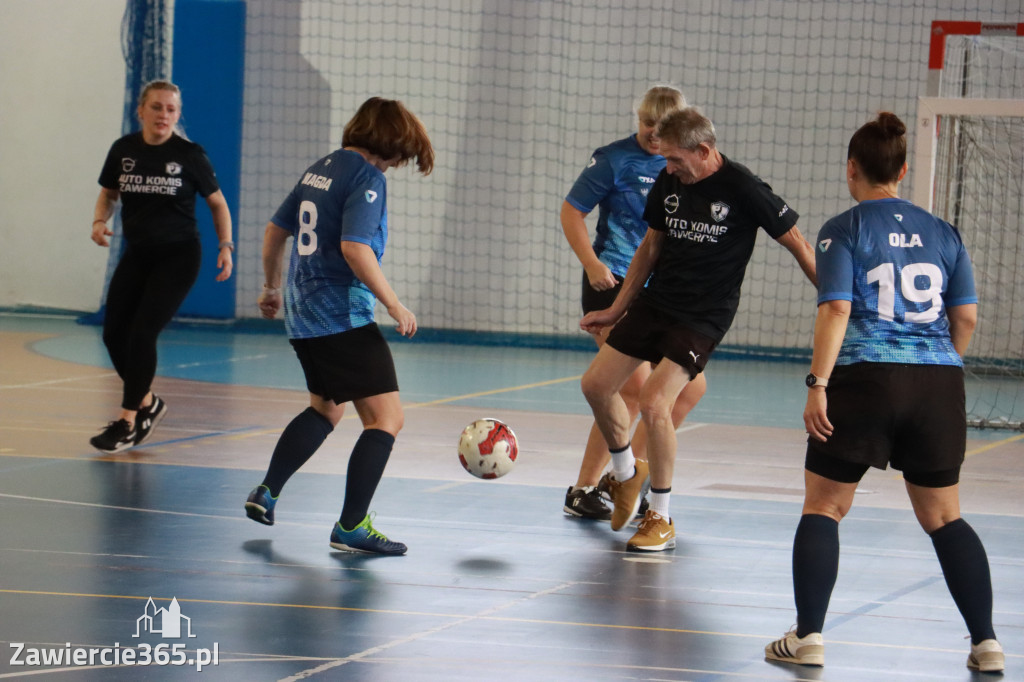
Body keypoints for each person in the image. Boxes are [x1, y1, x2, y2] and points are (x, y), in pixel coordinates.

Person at [765, 113, 1003, 672]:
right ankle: (987, 643)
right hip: (938, 380)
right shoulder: (945, 232)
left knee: (825, 506)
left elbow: (838, 307)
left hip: (865, 378)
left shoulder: (843, 229)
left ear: (853, 169)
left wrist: (818, 383)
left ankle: (811, 637)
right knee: (945, 517)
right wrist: (938, 372)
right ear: (901, 169)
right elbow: (964, 316)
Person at [580, 107, 817, 551]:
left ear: (704, 150)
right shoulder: (671, 181)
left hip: (703, 315)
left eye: (674, 160)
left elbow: (799, 244)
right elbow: (650, 247)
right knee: (595, 385)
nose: (666, 168)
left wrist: (836, 302)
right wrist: (615, 311)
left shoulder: (743, 188)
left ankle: (661, 517)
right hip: (656, 301)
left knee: (655, 402)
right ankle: (627, 475)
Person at [244, 97, 433, 556]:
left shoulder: (319, 168)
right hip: (341, 316)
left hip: (302, 313)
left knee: (326, 409)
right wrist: (394, 304)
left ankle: (267, 491)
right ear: (387, 144)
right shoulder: (366, 177)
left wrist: (271, 286)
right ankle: (352, 525)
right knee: (387, 419)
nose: (395, 167)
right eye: (399, 156)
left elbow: (275, 230)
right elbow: (355, 248)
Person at [561, 86, 707, 521]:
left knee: (688, 390)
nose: (653, 136)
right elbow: (572, 212)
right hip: (613, 282)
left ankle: (628, 476)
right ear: (638, 119)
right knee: (629, 388)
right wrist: (591, 265)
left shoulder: (682, 166)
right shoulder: (613, 160)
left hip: (660, 294)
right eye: (647, 126)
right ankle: (587, 486)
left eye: (662, 130)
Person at [89, 79, 234, 453]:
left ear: (177, 114)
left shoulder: (189, 154)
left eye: (171, 109)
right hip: (138, 254)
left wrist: (226, 246)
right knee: (113, 334)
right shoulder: (123, 150)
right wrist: (99, 221)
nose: (163, 115)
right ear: (141, 110)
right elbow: (109, 193)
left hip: (179, 256)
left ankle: (127, 420)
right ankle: (149, 403)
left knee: (141, 333)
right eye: (157, 107)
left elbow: (217, 203)